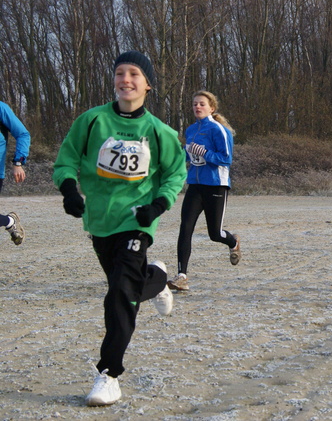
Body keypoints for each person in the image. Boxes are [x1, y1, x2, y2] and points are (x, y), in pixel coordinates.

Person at [52, 51, 187, 406]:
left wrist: (158, 205)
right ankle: (155, 277)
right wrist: (69, 190)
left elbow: (175, 173)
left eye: (134, 74)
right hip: (100, 220)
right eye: (119, 74)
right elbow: (66, 159)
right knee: (123, 284)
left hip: (136, 222)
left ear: (147, 84)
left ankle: (109, 374)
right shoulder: (92, 121)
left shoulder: (159, 131)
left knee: (118, 297)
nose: (125, 80)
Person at [168, 90, 240, 291]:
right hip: (195, 186)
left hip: (216, 185)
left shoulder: (219, 130)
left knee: (215, 233)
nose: (197, 107)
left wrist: (206, 153)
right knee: (185, 228)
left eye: (201, 104)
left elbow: (226, 159)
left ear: (211, 108)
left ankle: (233, 242)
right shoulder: (191, 130)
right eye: (194, 104)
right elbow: (187, 156)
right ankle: (182, 276)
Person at [0, 100, 30, 244]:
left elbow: (23, 134)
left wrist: (18, 162)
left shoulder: (1, 108)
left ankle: (10, 221)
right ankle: (9, 221)